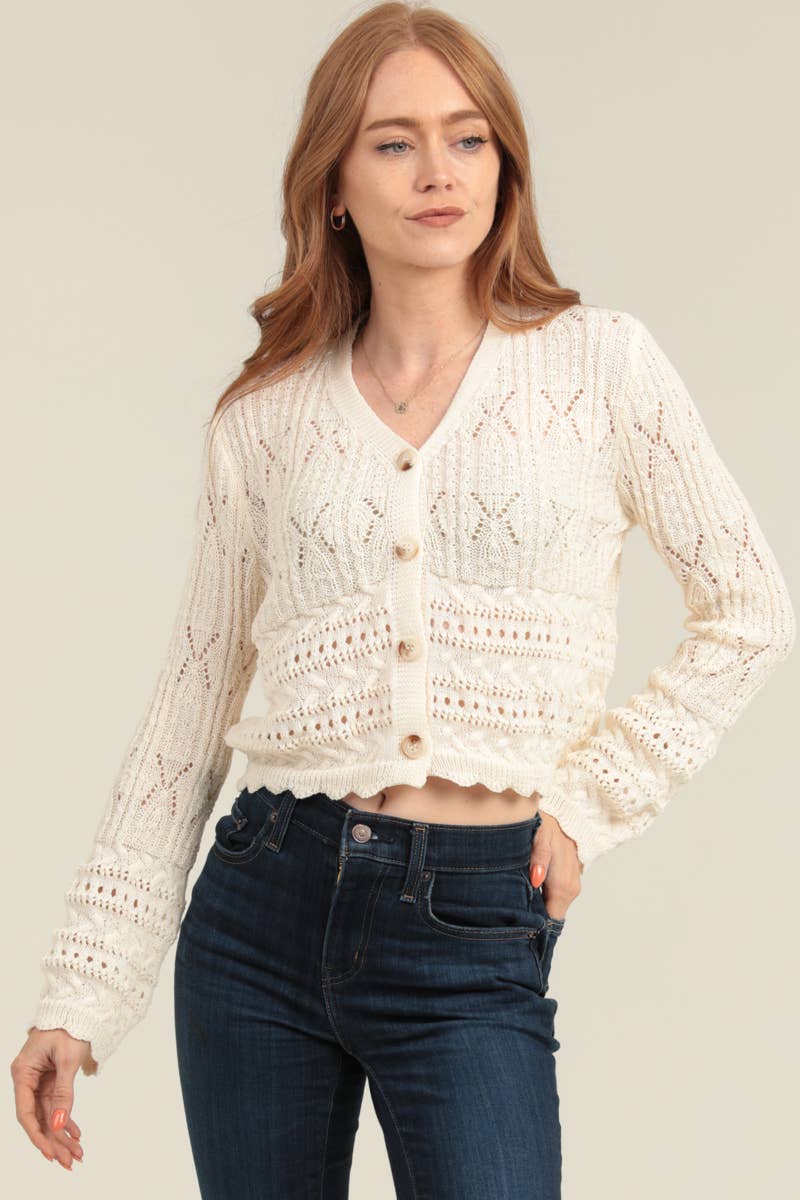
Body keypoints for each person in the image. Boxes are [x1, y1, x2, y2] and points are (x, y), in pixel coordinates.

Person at [12, 3, 795, 1195]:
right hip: (259, 911)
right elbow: (187, 707)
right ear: (332, 184)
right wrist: (80, 990)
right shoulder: (264, 419)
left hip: (471, 920)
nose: (439, 171)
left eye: (467, 138)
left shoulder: (599, 367)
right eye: (393, 142)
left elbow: (747, 608)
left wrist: (585, 804)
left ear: (503, 164)